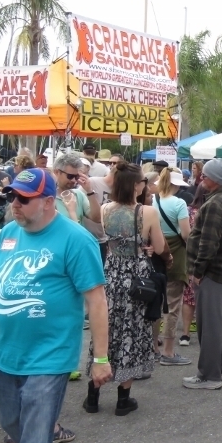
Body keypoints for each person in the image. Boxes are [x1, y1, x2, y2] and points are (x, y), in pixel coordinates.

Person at [0, 168, 111, 443]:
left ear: (48, 202)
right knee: (13, 424)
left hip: (50, 358)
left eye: (25, 198)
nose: (15, 203)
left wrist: (101, 358)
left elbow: (97, 301)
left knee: (35, 442)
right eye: (13, 195)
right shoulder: (7, 235)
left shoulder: (76, 240)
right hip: (6, 354)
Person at [83, 161, 170, 415]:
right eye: (143, 181)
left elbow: (108, 241)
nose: (145, 185)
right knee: (131, 330)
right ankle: (123, 398)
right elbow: (160, 246)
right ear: (135, 186)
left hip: (111, 273)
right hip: (136, 276)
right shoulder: (147, 212)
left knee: (105, 330)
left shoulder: (106, 209)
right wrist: (154, 250)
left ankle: (93, 395)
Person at [184, 159, 222, 390]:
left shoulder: (216, 203)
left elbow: (208, 243)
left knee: (209, 326)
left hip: (212, 271)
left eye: (205, 176)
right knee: (221, 323)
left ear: (215, 179)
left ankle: (209, 375)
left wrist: (198, 271)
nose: (201, 179)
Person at [153, 168, 192, 366]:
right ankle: (168, 351)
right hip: (176, 255)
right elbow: (186, 234)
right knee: (172, 304)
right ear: (176, 185)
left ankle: (153, 347)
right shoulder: (179, 203)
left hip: (155, 255)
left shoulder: (150, 200)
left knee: (154, 304)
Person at [179, 184, 208, 347]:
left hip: (188, 256)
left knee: (188, 297)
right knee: (207, 297)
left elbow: (183, 233)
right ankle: (206, 333)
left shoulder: (188, 211)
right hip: (207, 257)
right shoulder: (211, 211)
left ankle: (185, 333)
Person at [53, 153, 101, 231]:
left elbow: (97, 218)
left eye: (76, 176)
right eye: (70, 176)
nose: (74, 180)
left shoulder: (78, 194)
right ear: (57, 172)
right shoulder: (48, 198)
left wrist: (89, 191)